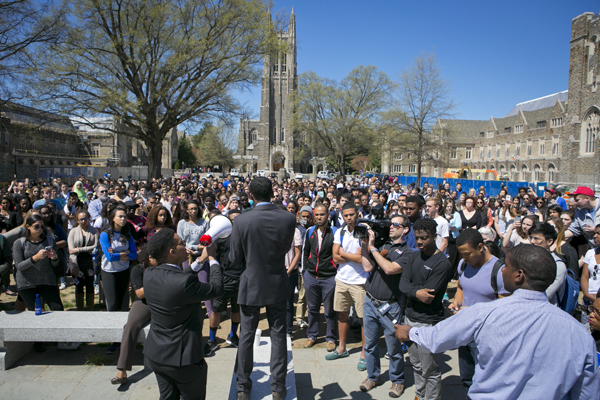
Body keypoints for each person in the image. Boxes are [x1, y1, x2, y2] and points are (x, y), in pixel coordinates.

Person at [394, 244, 600, 399]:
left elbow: (437, 338)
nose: (501, 270)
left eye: (506, 266)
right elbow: (587, 392)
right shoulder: (579, 333)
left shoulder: (484, 313)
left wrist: (409, 332)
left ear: (519, 276)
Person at [229, 177, 296, 400]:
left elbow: (235, 258)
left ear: (251, 196)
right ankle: (278, 387)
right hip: (277, 281)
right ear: (272, 194)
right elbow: (285, 248)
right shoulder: (288, 218)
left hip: (251, 283)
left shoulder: (241, 221)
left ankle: (242, 388)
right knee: (278, 336)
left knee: (246, 336)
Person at [143, 229, 223, 400]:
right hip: (183, 359)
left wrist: (198, 262)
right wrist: (212, 259)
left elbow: (177, 280)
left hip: (157, 353)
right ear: (172, 252)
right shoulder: (183, 283)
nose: (185, 244)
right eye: (180, 243)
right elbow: (216, 289)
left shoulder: (149, 274)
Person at [359, 214, 413, 398]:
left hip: (391, 307)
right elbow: (367, 268)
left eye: (395, 224)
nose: (391, 227)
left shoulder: (408, 252)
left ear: (405, 229)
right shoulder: (382, 245)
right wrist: (365, 245)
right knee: (370, 345)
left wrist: (373, 248)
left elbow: (390, 269)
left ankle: (397, 380)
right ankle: (373, 376)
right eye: (390, 224)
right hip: (370, 301)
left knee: (394, 348)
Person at [399, 218, 452, 400]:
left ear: (435, 237)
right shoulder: (413, 256)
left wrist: (411, 290)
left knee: (430, 369)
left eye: (425, 238)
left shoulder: (442, 264)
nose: (420, 242)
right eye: (418, 238)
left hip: (428, 324)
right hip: (410, 319)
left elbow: (428, 296)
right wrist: (415, 291)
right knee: (416, 364)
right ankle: (419, 395)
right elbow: (402, 285)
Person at [451, 229, 507, 394]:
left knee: (485, 380)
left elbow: (505, 308)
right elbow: (461, 285)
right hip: (465, 332)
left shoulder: (499, 271)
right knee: (467, 377)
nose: (463, 258)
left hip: (486, 336)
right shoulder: (464, 265)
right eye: (461, 254)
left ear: (481, 247)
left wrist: (474, 312)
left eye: (467, 254)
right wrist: (457, 301)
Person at [327, 202, 368, 370]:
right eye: (346, 215)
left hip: (360, 281)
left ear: (357, 214)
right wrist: (350, 255)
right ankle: (342, 347)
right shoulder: (340, 231)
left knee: (363, 318)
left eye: (352, 214)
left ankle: (365, 354)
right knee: (342, 315)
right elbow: (335, 257)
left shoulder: (363, 231)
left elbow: (364, 258)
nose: (349, 218)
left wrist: (343, 253)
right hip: (342, 280)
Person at [111, 246, 154, 385]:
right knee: (130, 326)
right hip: (144, 303)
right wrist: (160, 285)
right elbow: (140, 293)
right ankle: (122, 369)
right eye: (155, 256)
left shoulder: (162, 267)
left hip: (161, 301)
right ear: (148, 258)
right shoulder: (138, 270)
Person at [204, 209, 244, 355]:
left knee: (236, 310)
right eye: (233, 219)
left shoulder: (245, 237)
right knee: (216, 310)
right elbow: (213, 257)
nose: (236, 222)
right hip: (224, 279)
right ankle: (212, 339)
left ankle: (233, 336)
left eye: (238, 219)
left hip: (241, 279)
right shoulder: (221, 237)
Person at [100, 207, 138, 354]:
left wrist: (119, 254)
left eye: (124, 217)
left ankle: (123, 338)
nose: (123, 219)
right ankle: (113, 339)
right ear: (113, 218)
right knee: (112, 304)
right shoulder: (105, 235)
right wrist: (125, 253)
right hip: (109, 272)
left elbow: (134, 255)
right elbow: (109, 257)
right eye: (120, 216)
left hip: (123, 270)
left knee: (123, 303)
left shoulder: (126, 234)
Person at [301, 204, 338, 351]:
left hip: (329, 277)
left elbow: (338, 253)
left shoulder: (335, 232)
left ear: (328, 215)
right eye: (317, 215)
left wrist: (336, 272)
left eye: (322, 214)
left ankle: (330, 338)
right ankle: (312, 335)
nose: (319, 217)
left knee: (329, 310)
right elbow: (305, 252)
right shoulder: (310, 232)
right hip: (311, 276)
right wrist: (304, 272)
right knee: (312, 309)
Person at [528, 222, 567, 306]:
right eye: (530, 238)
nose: (532, 241)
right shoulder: (527, 260)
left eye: (536, 239)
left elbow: (546, 295)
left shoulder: (558, 266)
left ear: (549, 241)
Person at [67, 210, 99, 311]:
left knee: (90, 284)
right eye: (81, 219)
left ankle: (90, 307)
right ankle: (79, 307)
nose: (83, 221)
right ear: (77, 220)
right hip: (77, 261)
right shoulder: (73, 231)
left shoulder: (94, 231)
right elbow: (71, 250)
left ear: (89, 219)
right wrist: (74, 266)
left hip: (90, 261)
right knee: (78, 285)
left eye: (85, 219)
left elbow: (95, 246)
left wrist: (79, 249)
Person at [581, 225, 600, 306]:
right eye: (594, 233)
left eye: (599, 233)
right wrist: (586, 293)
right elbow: (585, 276)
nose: (595, 236)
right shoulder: (590, 253)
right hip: (589, 297)